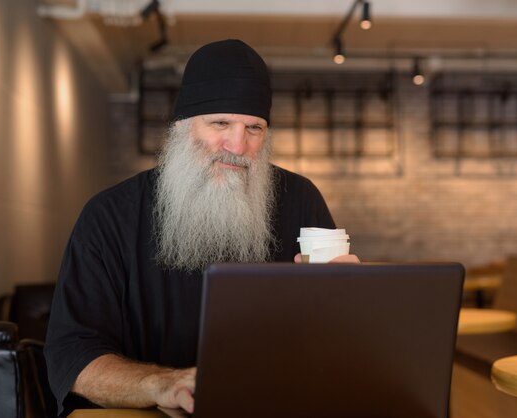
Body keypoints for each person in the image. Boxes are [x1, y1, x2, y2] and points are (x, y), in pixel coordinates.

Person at [44, 39, 358, 417]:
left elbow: (338, 346)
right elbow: (73, 357)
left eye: (254, 128)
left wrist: (348, 303)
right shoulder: (109, 215)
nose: (238, 145)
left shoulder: (300, 199)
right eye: (220, 123)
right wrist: (161, 385)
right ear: (182, 127)